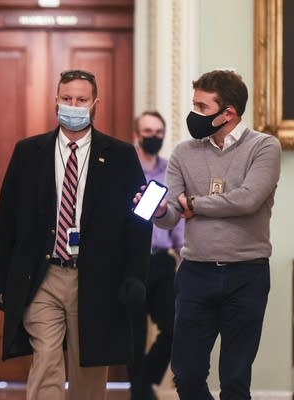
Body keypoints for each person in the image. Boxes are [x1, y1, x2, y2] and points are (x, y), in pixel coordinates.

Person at [0, 69, 152, 400]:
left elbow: (140, 219)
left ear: (95, 104)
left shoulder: (120, 155)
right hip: (42, 275)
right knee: (46, 360)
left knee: (88, 369)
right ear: (56, 101)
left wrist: (135, 277)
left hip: (95, 279)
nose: (73, 106)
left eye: (81, 100)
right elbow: (6, 219)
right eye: (66, 99)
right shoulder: (29, 152)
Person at [139, 69, 281, 400]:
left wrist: (195, 203)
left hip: (247, 273)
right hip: (195, 274)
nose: (194, 114)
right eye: (194, 105)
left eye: (202, 107)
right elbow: (171, 215)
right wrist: (160, 210)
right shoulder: (183, 153)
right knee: (186, 375)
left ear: (227, 113)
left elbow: (247, 199)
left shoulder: (264, 147)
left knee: (234, 380)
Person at [129, 111, 184, 400]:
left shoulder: (169, 171)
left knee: (174, 327)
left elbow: (177, 218)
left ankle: (143, 382)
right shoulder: (124, 168)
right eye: (148, 131)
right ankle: (141, 394)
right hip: (131, 263)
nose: (155, 136)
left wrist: (184, 252)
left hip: (163, 260)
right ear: (137, 135)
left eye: (159, 131)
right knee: (134, 335)